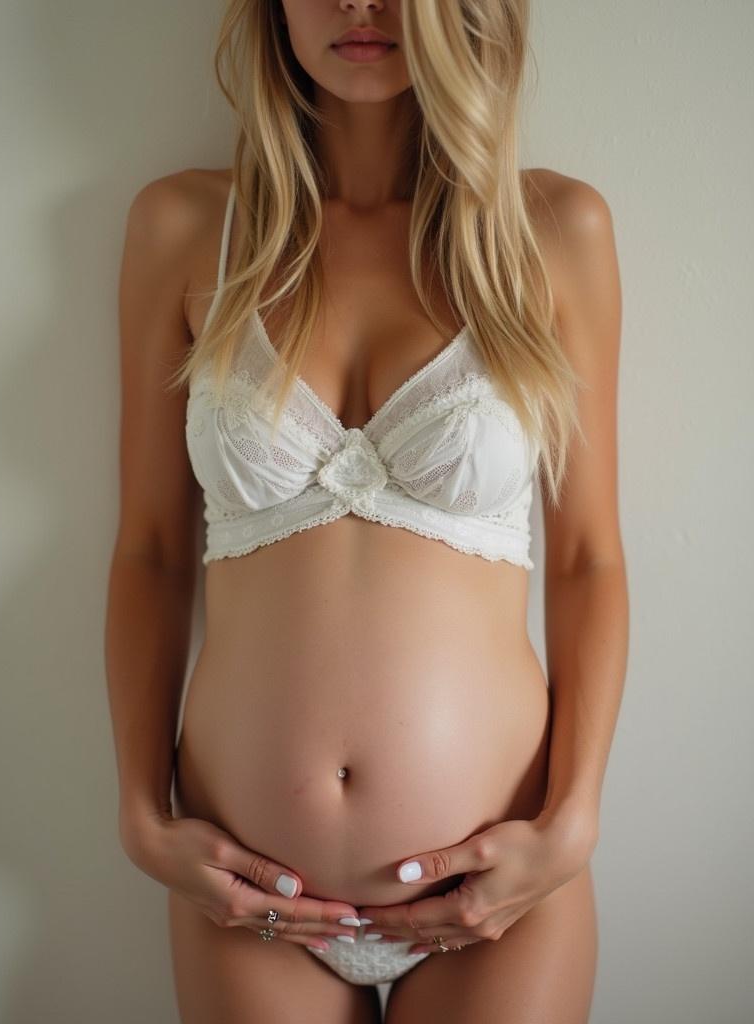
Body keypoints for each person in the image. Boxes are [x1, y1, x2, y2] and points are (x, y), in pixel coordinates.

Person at [105, 1, 629, 1021]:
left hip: (498, 896)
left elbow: (589, 562)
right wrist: (137, 813)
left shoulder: (555, 233)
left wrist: (572, 823)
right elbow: (153, 549)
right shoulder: (182, 228)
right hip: (249, 901)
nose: (360, 6)